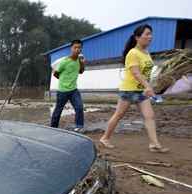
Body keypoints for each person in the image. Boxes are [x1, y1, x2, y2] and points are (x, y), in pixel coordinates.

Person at [99, 24, 169, 152]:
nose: (150, 37)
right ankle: (105, 138)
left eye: (151, 34)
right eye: (147, 34)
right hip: (129, 90)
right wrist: (148, 86)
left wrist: (150, 85)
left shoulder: (146, 53)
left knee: (149, 116)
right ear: (137, 37)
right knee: (119, 115)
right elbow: (136, 73)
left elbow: (146, 73)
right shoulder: (133, 53)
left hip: (142, 91)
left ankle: (154, 144)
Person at [50, 39, 85, 132]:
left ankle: (79, 126)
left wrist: (82, 63)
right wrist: (64, 82)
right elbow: (56, 74)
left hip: (74, 90)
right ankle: (53, 128)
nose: (77, 49)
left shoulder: (79, 60)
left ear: (81, 49)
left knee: (79, 107)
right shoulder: (65, 61)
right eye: (75, 47)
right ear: (71, 48)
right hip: (62, 91)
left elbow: (81, 71)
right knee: (58, 110)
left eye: (79, 48)